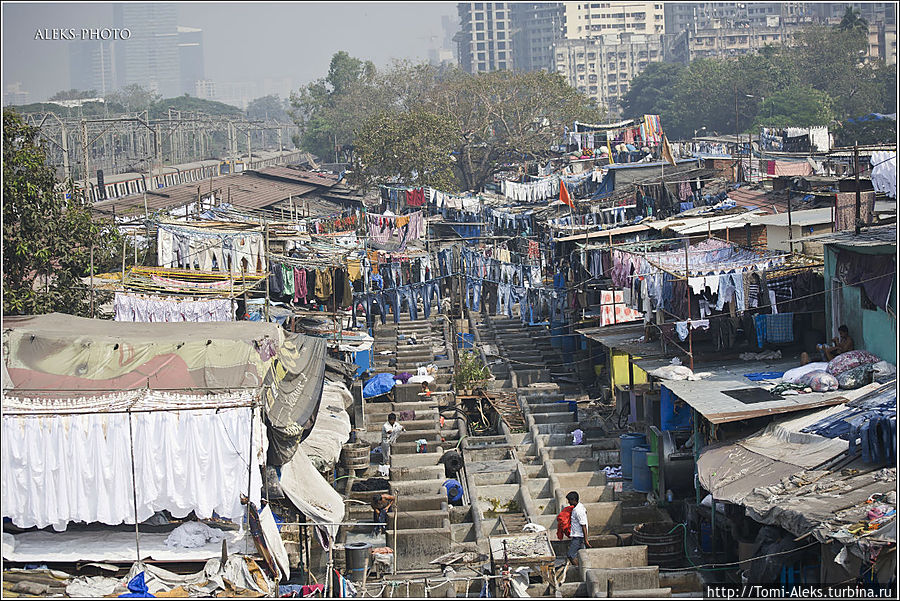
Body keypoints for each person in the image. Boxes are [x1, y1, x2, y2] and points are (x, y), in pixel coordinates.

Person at [565, 491, 589, 566]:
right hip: (578, 536)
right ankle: (582, 568)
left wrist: (586, 540)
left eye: (570, 500)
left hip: (578, 537)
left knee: (570, 554)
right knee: (582, 555)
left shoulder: (578, 511)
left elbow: (583, 526)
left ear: (574, 500)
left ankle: (578, 569)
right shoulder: (579, 507)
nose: (568, 502)